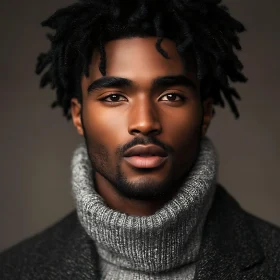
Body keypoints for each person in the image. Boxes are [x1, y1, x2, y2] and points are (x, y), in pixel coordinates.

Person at [1, 0, 279, 279]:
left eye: (171, 96)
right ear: (78, 115)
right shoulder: (15, 270)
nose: (144, 122)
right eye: (114, 97)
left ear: (204, 114)